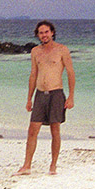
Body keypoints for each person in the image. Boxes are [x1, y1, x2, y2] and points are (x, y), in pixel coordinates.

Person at [15, 20, 75, 175]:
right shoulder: (35, 51)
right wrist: (29, 98)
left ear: (52, 32)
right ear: (38, 35)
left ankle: (53, 165)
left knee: (55, 130)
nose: (44, 35)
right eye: (41, 33)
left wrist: (71, 97)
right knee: (32, 130)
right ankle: (26, 166)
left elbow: (70, 73)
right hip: (40, 94)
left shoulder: (62, 50)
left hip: (56, 94)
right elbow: (33, 74)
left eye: (46, 32)